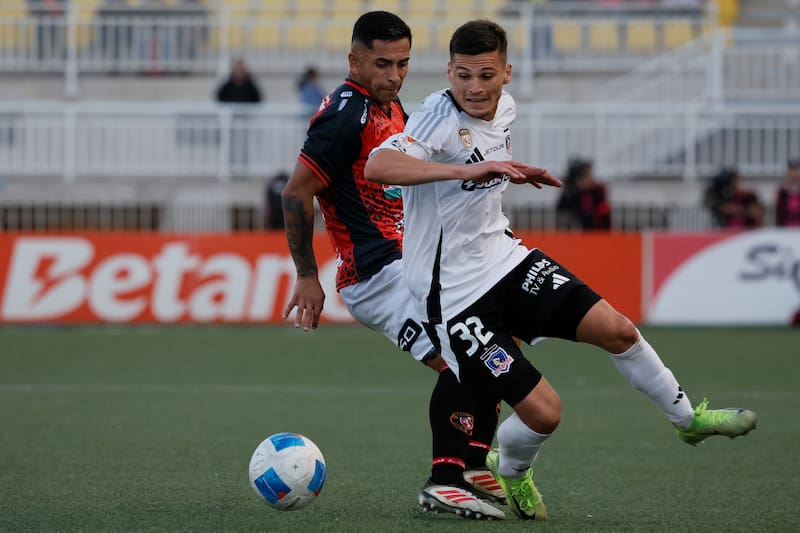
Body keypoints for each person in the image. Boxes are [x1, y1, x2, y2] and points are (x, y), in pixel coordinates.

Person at [365, 19, 758, 521]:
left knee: (618, 330)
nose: (474, 87)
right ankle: (512, 471)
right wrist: (471, 170)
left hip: (505, 260)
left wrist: (509, 167)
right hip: (454, 295)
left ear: (507, 72)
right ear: (449, 72)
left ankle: (688, 419)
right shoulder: (433, 119)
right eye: (463, 75)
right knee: (545, 414)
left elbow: (483, 157)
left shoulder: (505, 108)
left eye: (486, 75)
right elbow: (379, 167)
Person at [280, 11, 506, 520]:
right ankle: (444, 480)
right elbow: (296, 192)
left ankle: (471, 466)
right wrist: (307, 274)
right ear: (354, 60)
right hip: (376, 273)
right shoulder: (345, 112)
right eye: (381, 64)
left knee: (493, 349)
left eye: (403, 64)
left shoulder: (391, 106)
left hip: (415, 261)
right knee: (464, 359)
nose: (393, 75)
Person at [555, 157, 611, 230]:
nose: (590, 178)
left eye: (590, 175)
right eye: (586, 175)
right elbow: (561, 209)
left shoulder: (596, 191)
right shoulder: (572, 193)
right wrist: (577, 190)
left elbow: (604, 212)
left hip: (595, 233)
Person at [776, 158, 800, 227]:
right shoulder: (782, 191)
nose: (794, 174)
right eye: (792, 171)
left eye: (796, 171)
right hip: (786, 227)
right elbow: (779, 212)